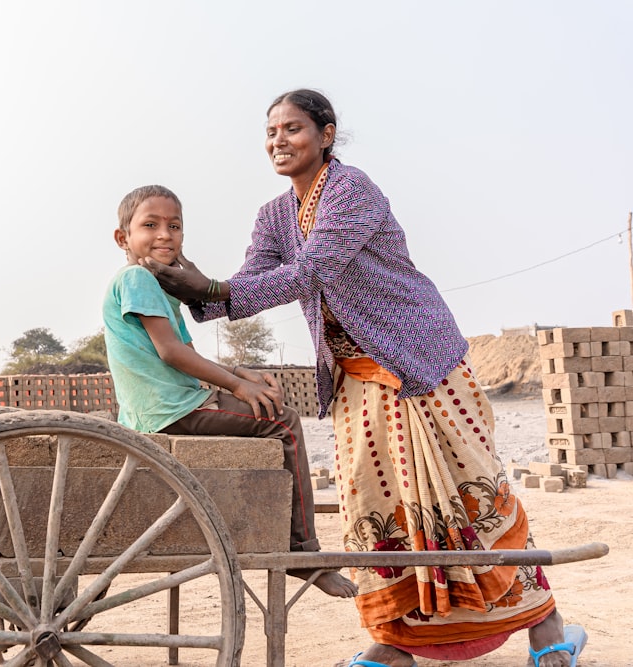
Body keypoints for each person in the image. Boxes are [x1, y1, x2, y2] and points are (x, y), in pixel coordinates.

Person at [143, 90, 587, 667]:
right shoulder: (274, 215)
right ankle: (395, 640)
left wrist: (215, 292)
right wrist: (196, 290)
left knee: (471, 497)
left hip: (421, 366)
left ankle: (547, 627)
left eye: (293, 129)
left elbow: (314, 268)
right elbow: (255, 277)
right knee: (374, 505)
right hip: (353, 378)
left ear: (326, 135)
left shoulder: (352, 190)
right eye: (270, 131)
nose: (278, 140)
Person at [102, 183, 358, 599]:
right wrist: (237, 383)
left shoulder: (158, 287)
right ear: (123, 238)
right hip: (171, 409)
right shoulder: (136, 278)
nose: (165, 235)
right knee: (287, 424)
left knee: (269, 403)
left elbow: (186, 351)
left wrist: (242, 371)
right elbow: (171, 354)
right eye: (150, 225)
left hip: (164, 406)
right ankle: (304, 553)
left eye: (174, 226)